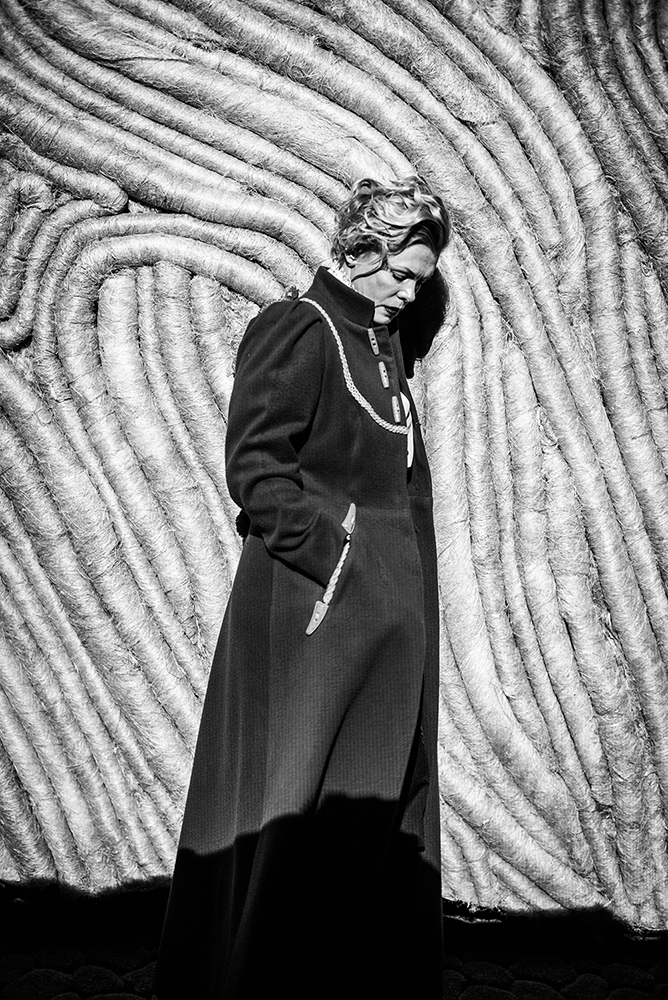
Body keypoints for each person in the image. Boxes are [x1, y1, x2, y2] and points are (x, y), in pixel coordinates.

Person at [153, 175, 451, 1000]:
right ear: (362, 250)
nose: (410, 293)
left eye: (421, 281)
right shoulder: (301, 328)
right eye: (402, 274)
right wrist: (338, 563)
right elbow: (257, 469)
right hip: (316, 625)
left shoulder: (383, 350)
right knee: (301, 816)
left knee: (374, 824)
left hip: (388, 631)